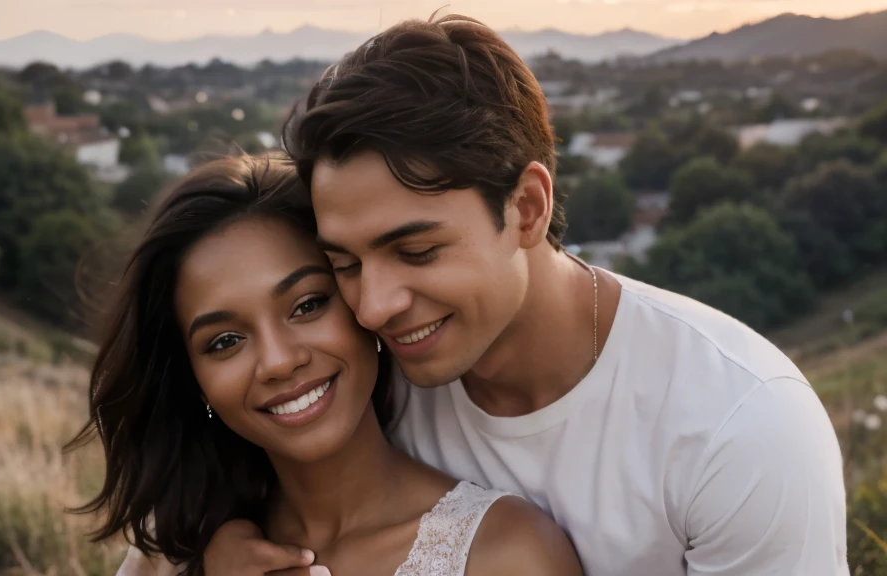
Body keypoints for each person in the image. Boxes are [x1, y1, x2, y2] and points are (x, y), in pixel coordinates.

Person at [199, 13, 849, 576]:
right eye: (343, 263)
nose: (373, 307)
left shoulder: (737, 426)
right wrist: (226, 542)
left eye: (416, 251)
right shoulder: (367, 372)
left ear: (529, 207)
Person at [74, 154, 583, 576]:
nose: (278, 361)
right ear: (194, 380)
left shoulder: (505, 555)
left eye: (307, 305)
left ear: (364, 305)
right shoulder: (180, 555)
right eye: (225, 341)